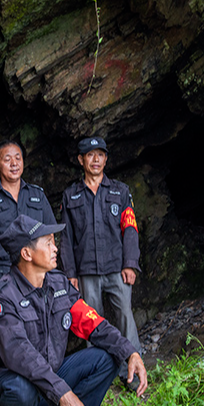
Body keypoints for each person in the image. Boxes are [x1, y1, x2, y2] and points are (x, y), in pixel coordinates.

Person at [0, 215, 148, 406]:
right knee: (21, 388)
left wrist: (130, 352)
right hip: (7, 384)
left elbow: (92, 323)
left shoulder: (58, 285)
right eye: (47, 243)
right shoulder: (4, 296)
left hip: (49, 377)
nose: (55, 248)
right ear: (27, 254)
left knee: (107, 357)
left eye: (53, 242)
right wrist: (63, 393)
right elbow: (20, 355)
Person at [60, 137, 142, 361]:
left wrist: (130, 264)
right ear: (81, 159)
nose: (95, 159)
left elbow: (131, 230)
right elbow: (66, 238)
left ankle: (133, 370)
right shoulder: (70, 196)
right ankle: (98, 371)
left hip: (117, 267)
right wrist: (70, 274)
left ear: (106, 159)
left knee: (125, 316)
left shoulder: (121, 192)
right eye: (89, 155)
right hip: (86, 271)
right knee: (91, 321)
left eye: (100, 155)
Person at [0, 140, 57, 299]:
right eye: (7, 159)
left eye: (18, 158)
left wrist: (49, 266)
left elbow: (50, 233)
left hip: (34, 268)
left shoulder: (37, 195)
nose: (14, 163)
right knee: (2, 320)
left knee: (37, 318)